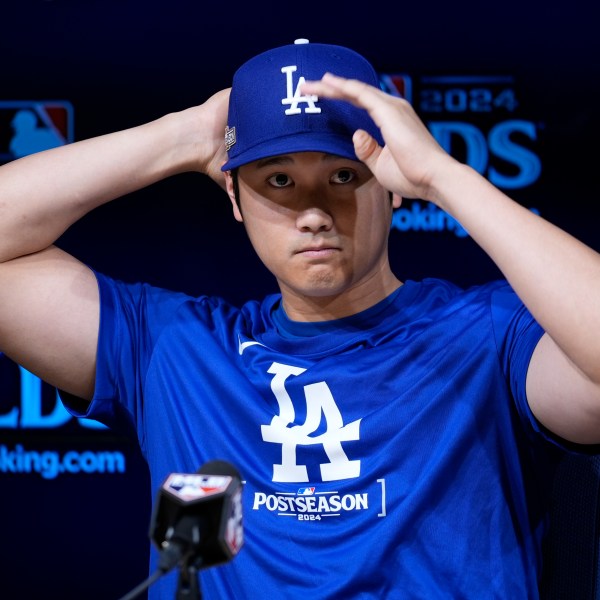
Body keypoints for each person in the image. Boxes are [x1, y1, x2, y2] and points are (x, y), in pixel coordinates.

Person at [0, 38, 599, 599]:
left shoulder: (487, 336)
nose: (313, 212)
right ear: (234, 197)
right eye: (278, 180)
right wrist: (184, 136)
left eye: (343, 175)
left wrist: (443, 177)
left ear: (390, 185)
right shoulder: (172, 348)